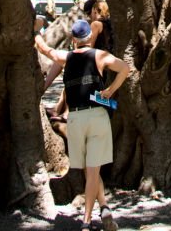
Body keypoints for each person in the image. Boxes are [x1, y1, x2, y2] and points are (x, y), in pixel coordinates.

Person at [43, 19, 129, 231]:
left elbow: (48, 51)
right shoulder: (100, 55)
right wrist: (110, 89)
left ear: (73, 40)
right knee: (93, 171)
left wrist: (34, 33)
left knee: (89, 171)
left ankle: (87, 220)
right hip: (98, 117)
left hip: (76, 118)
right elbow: (125, 68)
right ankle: (104, 209)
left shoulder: (66, 57)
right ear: (89, 37)